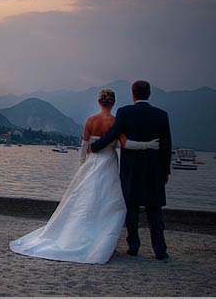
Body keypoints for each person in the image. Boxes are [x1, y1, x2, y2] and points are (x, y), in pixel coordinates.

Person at [9, 88, 158, 264]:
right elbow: (127, 144)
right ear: (113, 103)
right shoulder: (116, 122)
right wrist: (149, 144)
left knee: (83, 200)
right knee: (106, 202)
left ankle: (78, 235)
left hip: (91, 162)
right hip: (109, 162)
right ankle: (100, 238)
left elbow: (83, 146)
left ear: (99, 102)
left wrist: (83, 166)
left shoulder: (90, 120)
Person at [91, 80, 172, 261]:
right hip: (154, 170)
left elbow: (113, 133)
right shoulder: (161, 115)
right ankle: (160, 250)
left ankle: (133, 247)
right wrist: (166, 170)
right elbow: (167, 146)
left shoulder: (125, 112)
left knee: (132, 208)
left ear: (133, 94)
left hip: (132, 170)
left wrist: (95, 146)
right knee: (154, 209)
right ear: (149, 94)